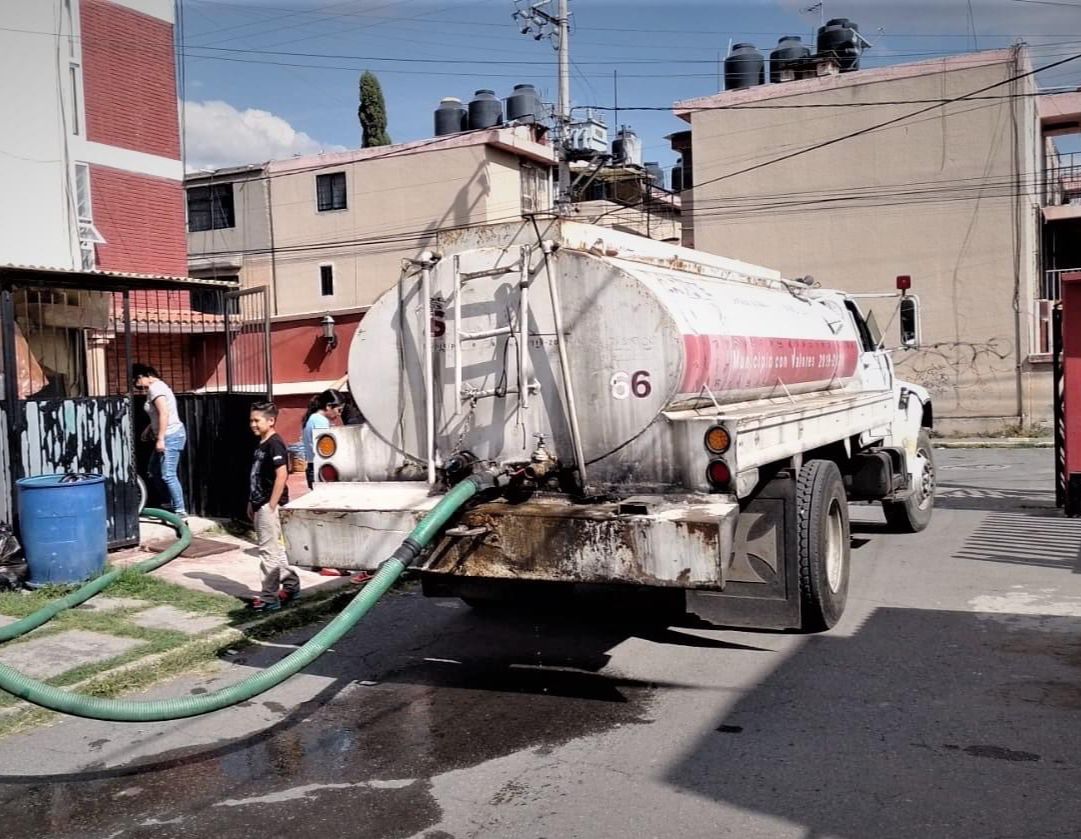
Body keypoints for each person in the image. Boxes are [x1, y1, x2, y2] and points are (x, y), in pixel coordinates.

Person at [248, 401, 299, 612]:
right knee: (275, 551)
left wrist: (271, 505)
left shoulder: (275, 443)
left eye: (256, 420)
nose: (252, 424)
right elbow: (256, 476)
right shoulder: (262, 444)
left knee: (268, 553)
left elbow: (282, 474)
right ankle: (291, 585)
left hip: (270, 506)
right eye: (250, 420)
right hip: (259, 503)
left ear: (271, 421)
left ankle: (269, 598)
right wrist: (251, 502)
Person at [132, 363, 187, 519]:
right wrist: (149, 429)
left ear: (142, 376)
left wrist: (161, 438)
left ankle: (180, 511)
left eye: (135, 381)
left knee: (168, 474)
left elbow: (164, 413)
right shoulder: (156, 388)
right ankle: (167, 505)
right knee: (154, 470)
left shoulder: (156, 389)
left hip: (171, 435)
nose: (137, 386)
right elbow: (159, 414)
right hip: (167, 434)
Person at [301, 389, 343, 489]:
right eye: (339, 410)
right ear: (328, 406)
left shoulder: (313, 417)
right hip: (318, 467)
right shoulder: (320, 421)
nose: (339, 414)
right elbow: (326, 450)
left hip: (312, 467)